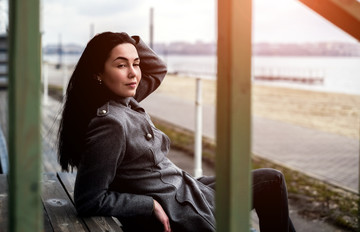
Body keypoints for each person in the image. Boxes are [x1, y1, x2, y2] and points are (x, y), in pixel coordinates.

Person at [58, 32, 296, 232]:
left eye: (136, 63)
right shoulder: (112, 123)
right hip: (181, 207)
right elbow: (89, 199)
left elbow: (157, 69)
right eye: (121, 65)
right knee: (272, 182)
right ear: (98, 74)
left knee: (270, 179)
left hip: (187, 188)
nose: (133, 73)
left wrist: (129, 41)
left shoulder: (123, 100)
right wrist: (148, 204)